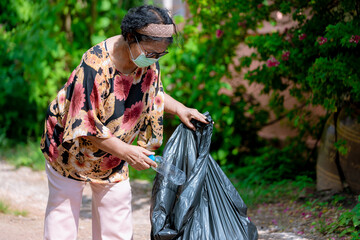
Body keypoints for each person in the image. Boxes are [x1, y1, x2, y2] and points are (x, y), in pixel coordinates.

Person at [40, 5, 208, 240]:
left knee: (116, 218)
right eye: (150, 53)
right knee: (63, 217)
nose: (154, 59)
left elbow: (152, 92)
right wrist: (128, 152)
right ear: (130, 37)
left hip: (113, 151)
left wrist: (180, 109)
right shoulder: (94, 66)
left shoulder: (145, 61)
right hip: (70, 148)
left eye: (160, 55)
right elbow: (84, 126)